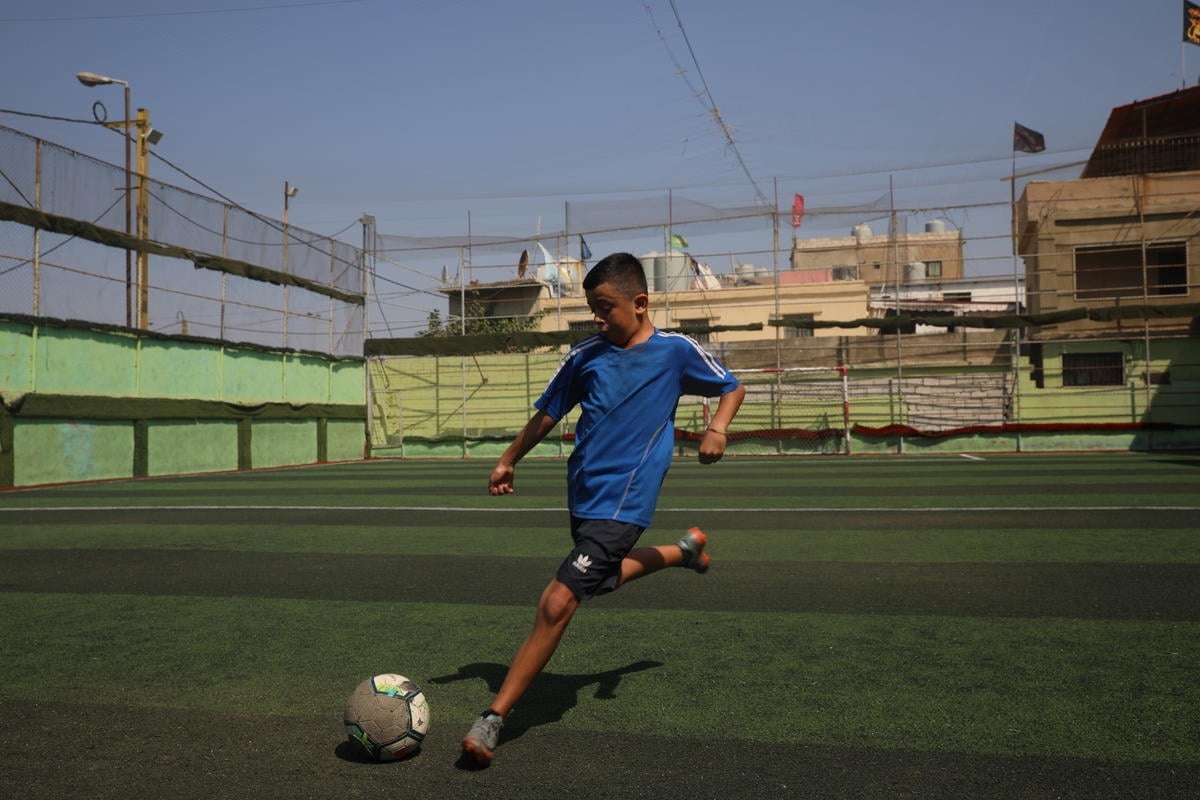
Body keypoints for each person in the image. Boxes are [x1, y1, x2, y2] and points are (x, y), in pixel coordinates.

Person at [461, 251, 746, 767]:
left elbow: (731, 385)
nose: (598, 317)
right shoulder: (584, 355)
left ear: (640, 303)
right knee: (602, 579)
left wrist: (717, 428)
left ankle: (494, 716)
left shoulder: (675, 351)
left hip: (627, 501)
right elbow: (549, 412)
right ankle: (683, 552)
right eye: (592, 308)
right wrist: (507, 460)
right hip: (585, 495)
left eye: (605, 307)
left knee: (558, 599)